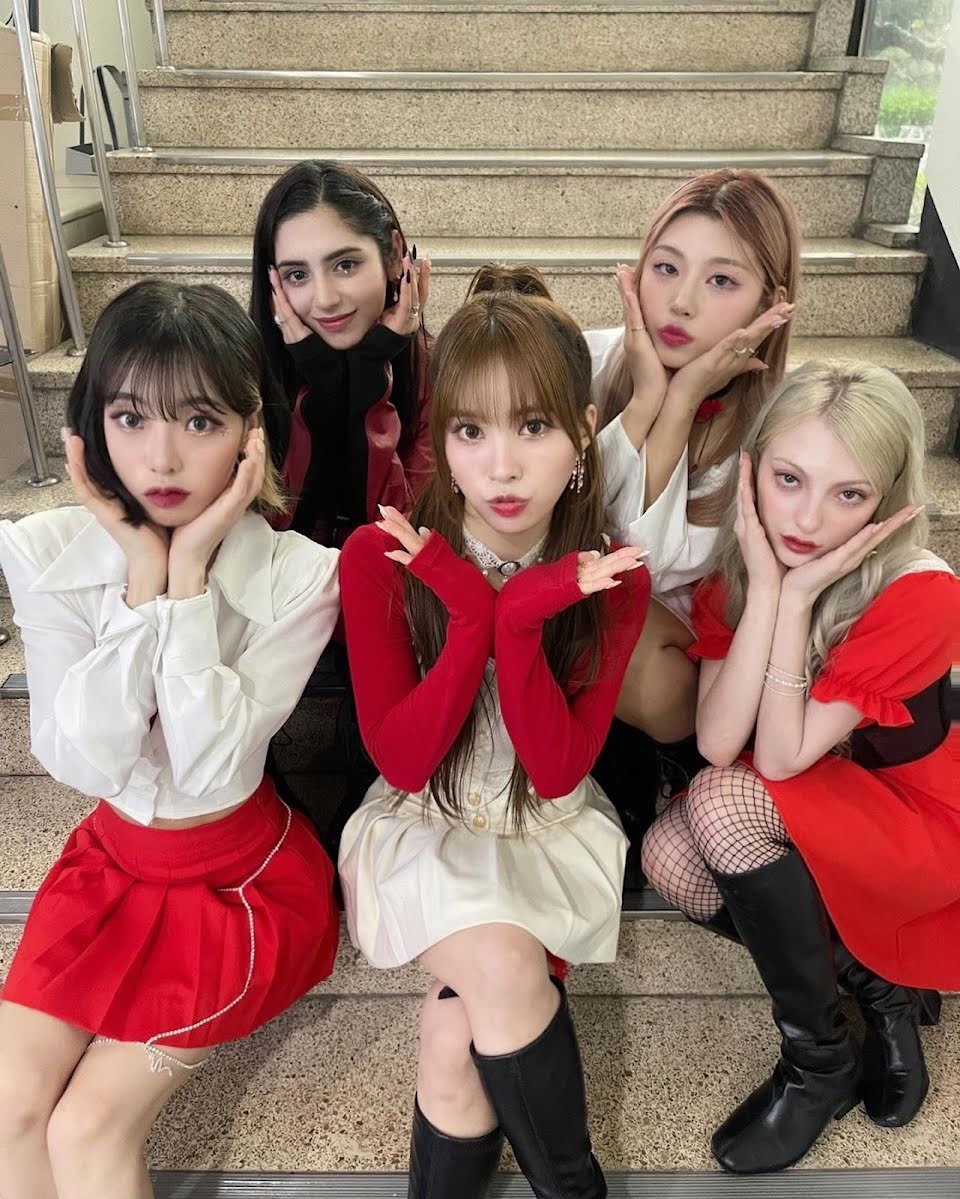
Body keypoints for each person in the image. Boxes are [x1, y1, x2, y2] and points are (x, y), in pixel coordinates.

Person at [0, 280, 341, 1199]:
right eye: (130, 417)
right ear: (91, 428)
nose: (161, 456)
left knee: (86, 1126)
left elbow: (207, 762)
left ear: (252, 432)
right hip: (107, 868)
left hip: (237, 885)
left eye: (199, 420)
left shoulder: (304, 576)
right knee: (8, 1105)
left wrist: (186, 577)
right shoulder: (43, 553)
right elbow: (84, 760)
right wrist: (139, 580)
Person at [337, 285, 650, 1198]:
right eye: (470, 431)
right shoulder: (382, 558)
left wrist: (518, 621)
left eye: (535, 426)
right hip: (418, 829)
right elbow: (403, 761)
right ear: (440, 436)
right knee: (506, 969)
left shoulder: (611, 578)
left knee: (450, 1037)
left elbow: (555, 773)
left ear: (584, 431)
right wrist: (472, 616)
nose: (501, 466)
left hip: (544, 834)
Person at [641, 359, 959, 1174]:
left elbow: (777, 756)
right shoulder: (740, 572)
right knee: (668, 855)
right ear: (752, 470)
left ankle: (814, 1064)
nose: (809, 518)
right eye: (789, 479)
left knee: (720, 803)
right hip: (821, 810)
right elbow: (719, 737)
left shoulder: (922, 593)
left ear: (887, 500)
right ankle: (872, 993)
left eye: (848, 494)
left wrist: (800, 594)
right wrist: (768, 589)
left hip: (918, 828)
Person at [250, 159, 432, 848]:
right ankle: (262, 803)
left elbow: (400, 523)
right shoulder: (250, 371)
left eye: (345, 264)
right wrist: (325, 387)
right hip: (280, 585)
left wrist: (365, 385)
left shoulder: (433, 367)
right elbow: (269, 529)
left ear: (394, 255)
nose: (323, 298)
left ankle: (370, 796)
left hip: (383, 589)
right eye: (296, 274)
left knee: (383, 571)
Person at [590, 169, 799, 762]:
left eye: (722, 280)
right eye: (666, 268)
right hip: (574, 609)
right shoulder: (586, 357)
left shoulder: (778, 427)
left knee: (609, 630)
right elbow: (556, 523)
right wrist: (645, 400)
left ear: (771, 304)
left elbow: (635, 568)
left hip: (671, 654)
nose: (682, 302)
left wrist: (679, 402)